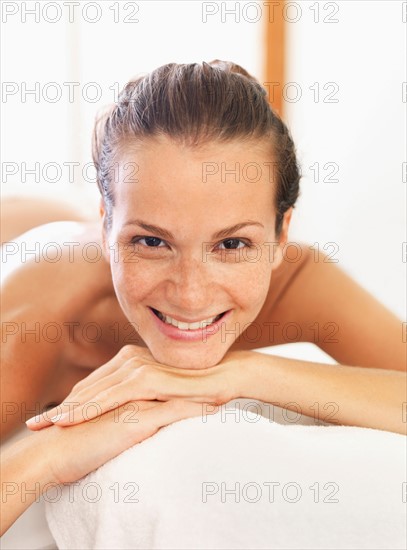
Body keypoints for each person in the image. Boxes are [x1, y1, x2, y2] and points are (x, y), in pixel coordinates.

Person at [1, 60, 405, 536]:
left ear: (281, 234)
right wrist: (47, 453)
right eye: (151, 242)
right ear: (107, 223)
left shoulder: (300, 279)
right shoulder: (38, 322)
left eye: (232, 245)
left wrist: (245, 374)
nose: (191, 295)